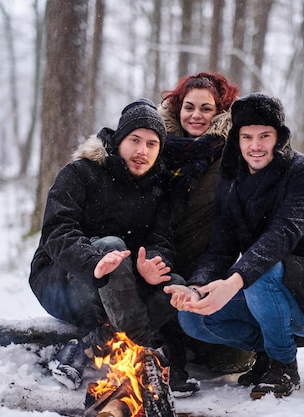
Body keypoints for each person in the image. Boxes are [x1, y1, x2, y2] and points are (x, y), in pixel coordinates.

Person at [164, 93, 304, 399]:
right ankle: (267, 351)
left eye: (265, 136)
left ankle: (284, 364)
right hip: (260, 288)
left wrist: (234, 281)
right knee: (192, 316)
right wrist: (197, 287)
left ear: (279, 137)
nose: (256, 145)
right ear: (236, 140)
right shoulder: (231, 180)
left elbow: (282, 235)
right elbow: (221, 247)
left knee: (262, 272)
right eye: (247, 136)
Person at [28, 98, 195, 396]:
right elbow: (57, 232)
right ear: (119, 140)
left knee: (175, 287)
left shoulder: (160, 188)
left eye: (152, 144)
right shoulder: (81, 173)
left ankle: (90, 346)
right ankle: (146, 353)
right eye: (135, 140)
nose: (142, 151)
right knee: (112, 247)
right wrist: (93, 262)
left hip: (122, 285)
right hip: (65, 282)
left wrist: (151, 263)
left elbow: (162, 241)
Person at [157, 73, 254, 385]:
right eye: (189, 107)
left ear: (220, 113)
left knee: (223, 359)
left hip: (211, 266)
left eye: (205, 108)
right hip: (160, 262)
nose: (196, 115)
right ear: (177, 109)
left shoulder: (232, 157)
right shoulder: (157, 148)